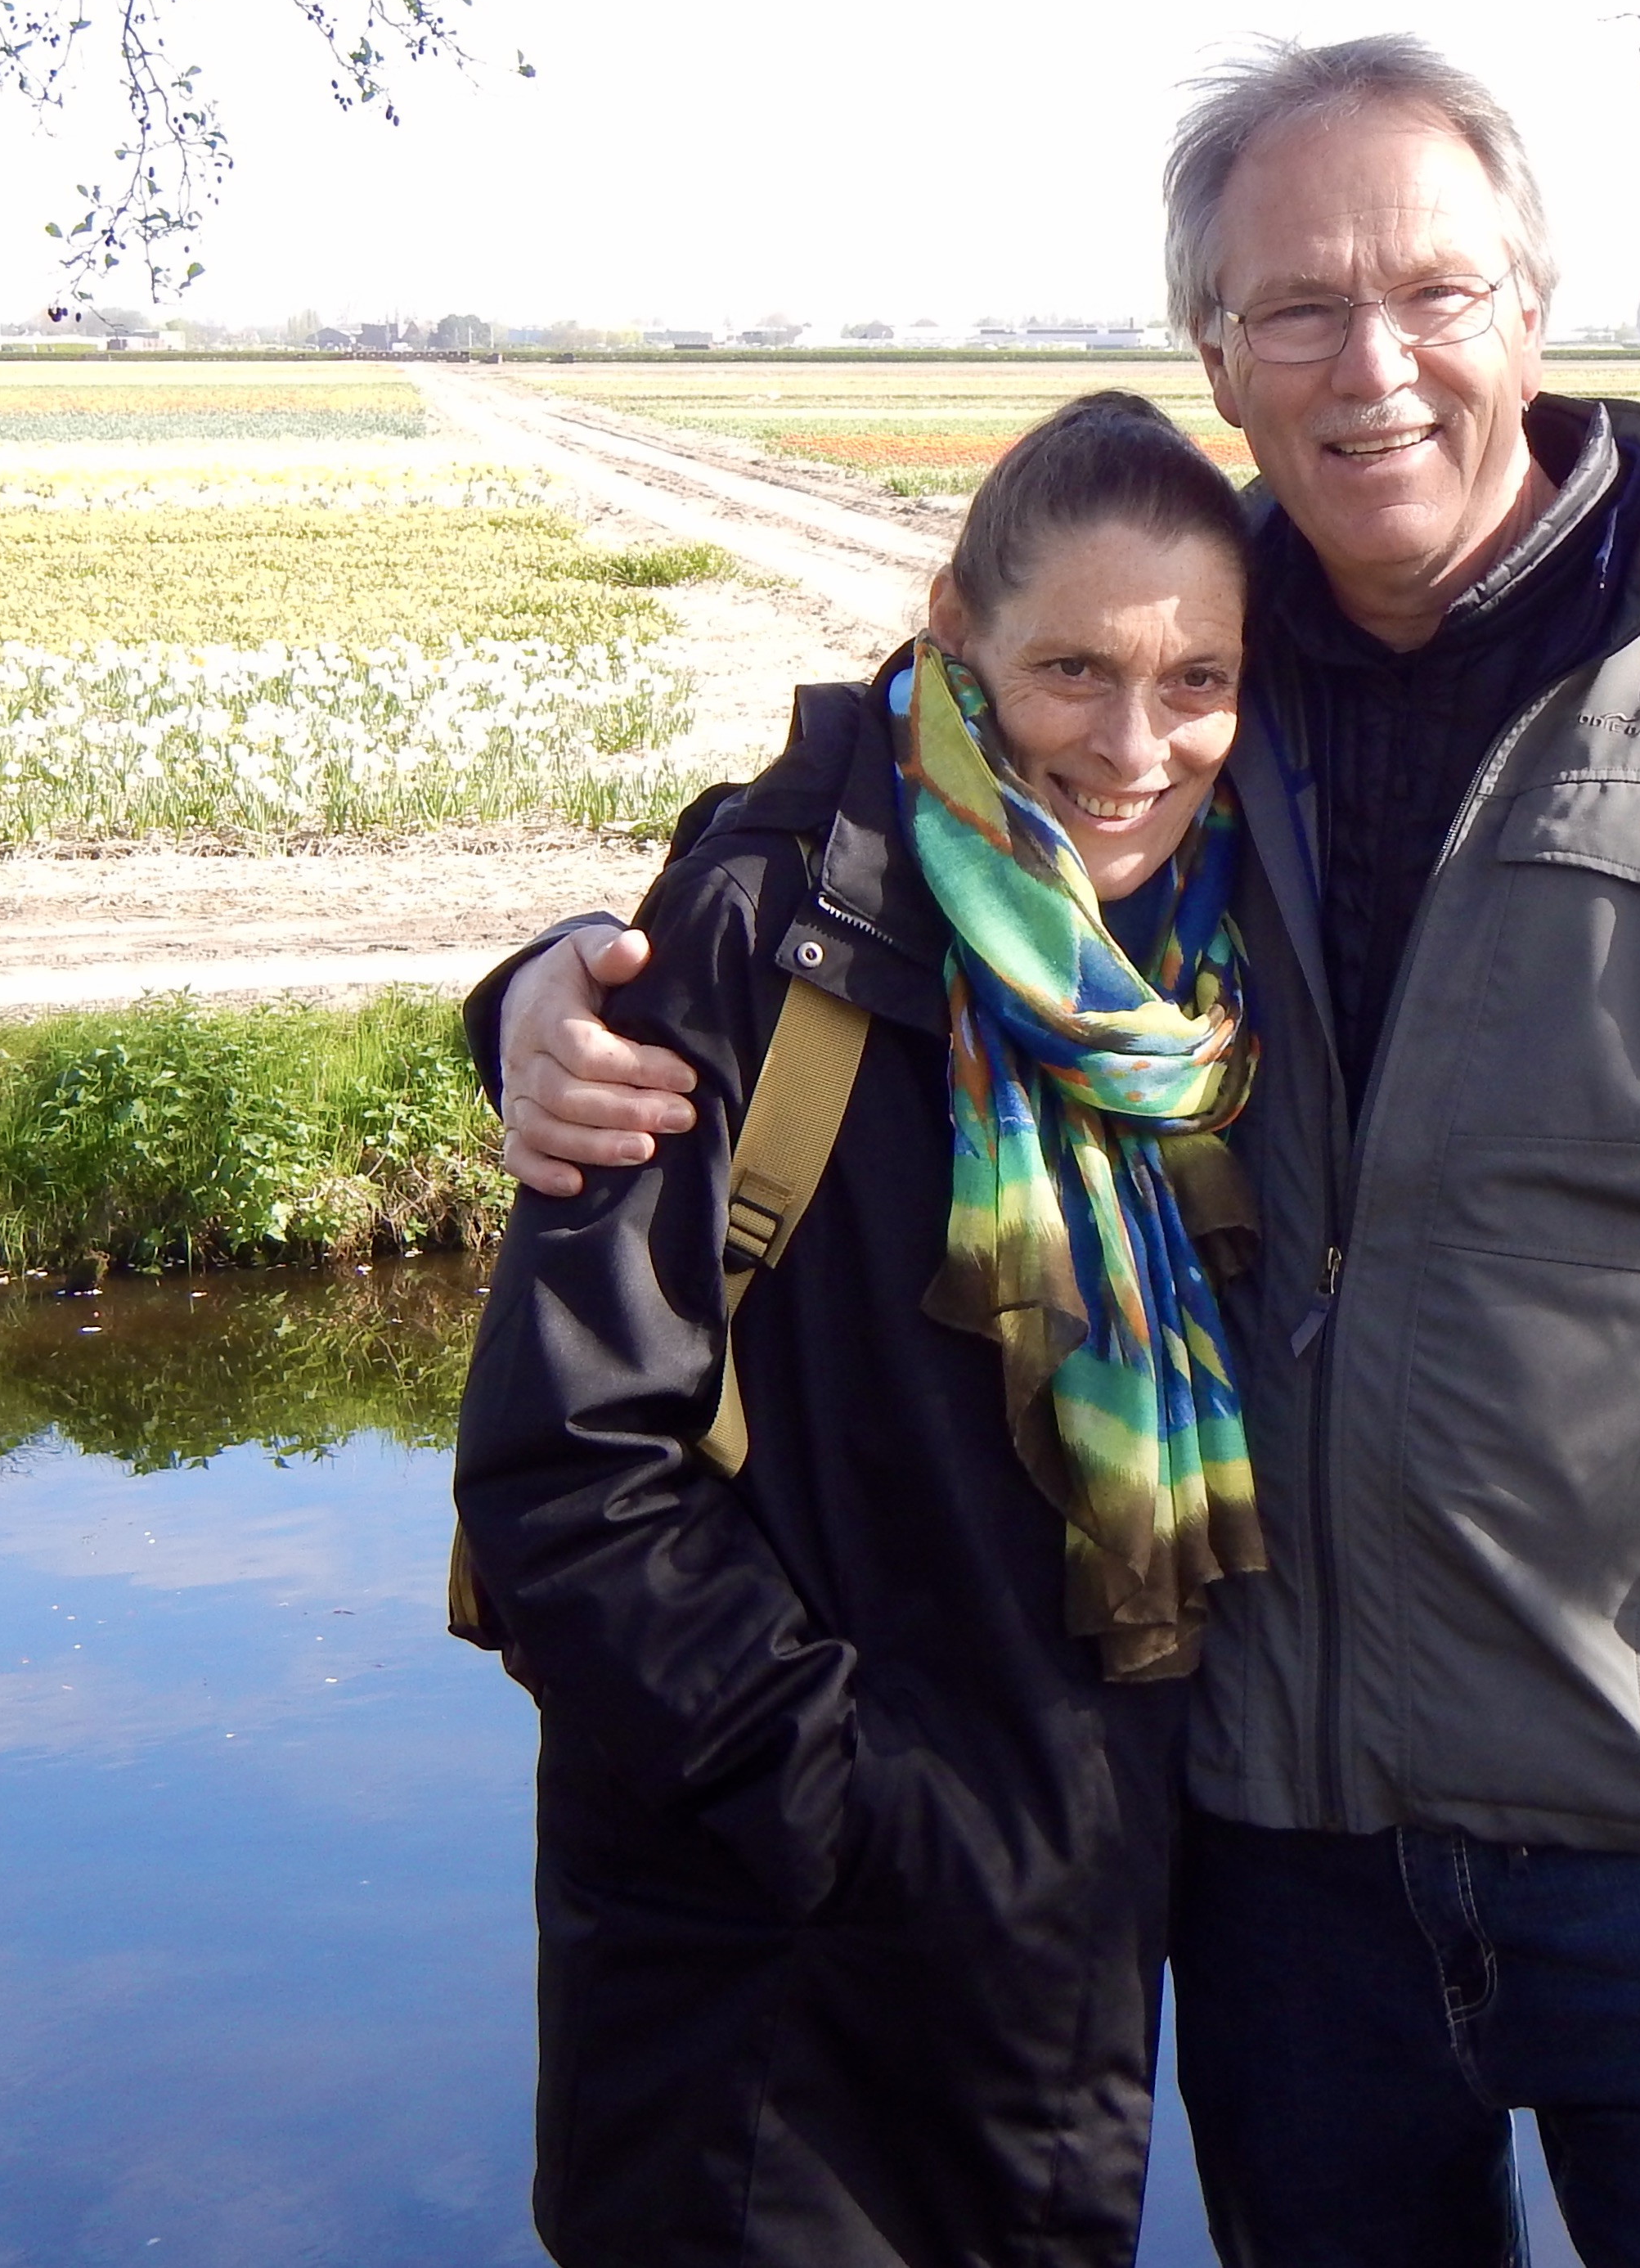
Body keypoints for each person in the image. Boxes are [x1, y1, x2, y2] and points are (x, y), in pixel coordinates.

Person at [480, 38, 1640, 2268]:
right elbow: (841, 837)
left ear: (1531, 305)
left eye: (1431, 291)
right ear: (1216, 356)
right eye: (1299, 309)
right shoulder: (1167, 652)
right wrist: (549, 989)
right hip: (1276, 1867)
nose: (1375, 365)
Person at [452, 389, 1268, 2268]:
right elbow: (567, 1471)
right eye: (1072, 669)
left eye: (1196, 680)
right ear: (953, 626)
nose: (1134, 745)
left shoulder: (1203, 974)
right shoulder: (768, 931)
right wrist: (865, 1817)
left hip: (1061, 1949)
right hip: (778, 1992)